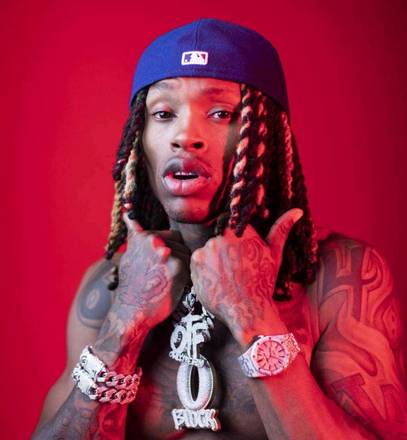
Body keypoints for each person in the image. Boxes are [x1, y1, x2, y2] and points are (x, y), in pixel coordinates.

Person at [33, 18, 406, 439]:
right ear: (139, 139)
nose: (185, 136)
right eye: (163, 114)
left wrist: (254, 316)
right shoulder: (108, 287)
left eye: (220, 113)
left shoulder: (340, 278)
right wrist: (124, 326)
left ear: (267, 133)